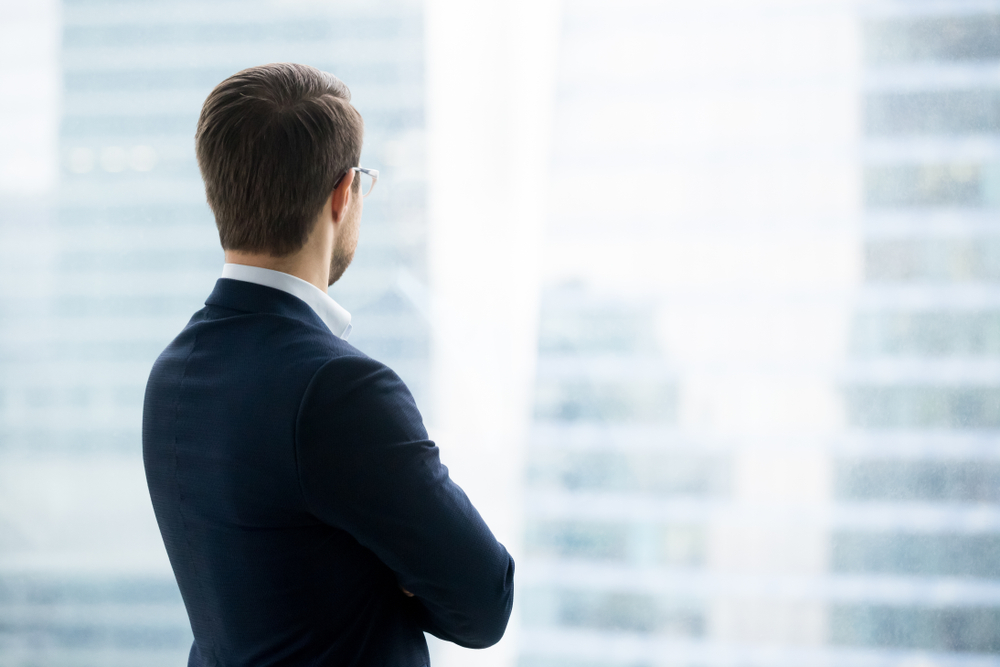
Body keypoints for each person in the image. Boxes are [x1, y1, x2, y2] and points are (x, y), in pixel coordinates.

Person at [142, 63, 514, 667]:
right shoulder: (340, 389)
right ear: (344, 193)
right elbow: (485, 600)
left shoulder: (172, 373)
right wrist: (395, 574)